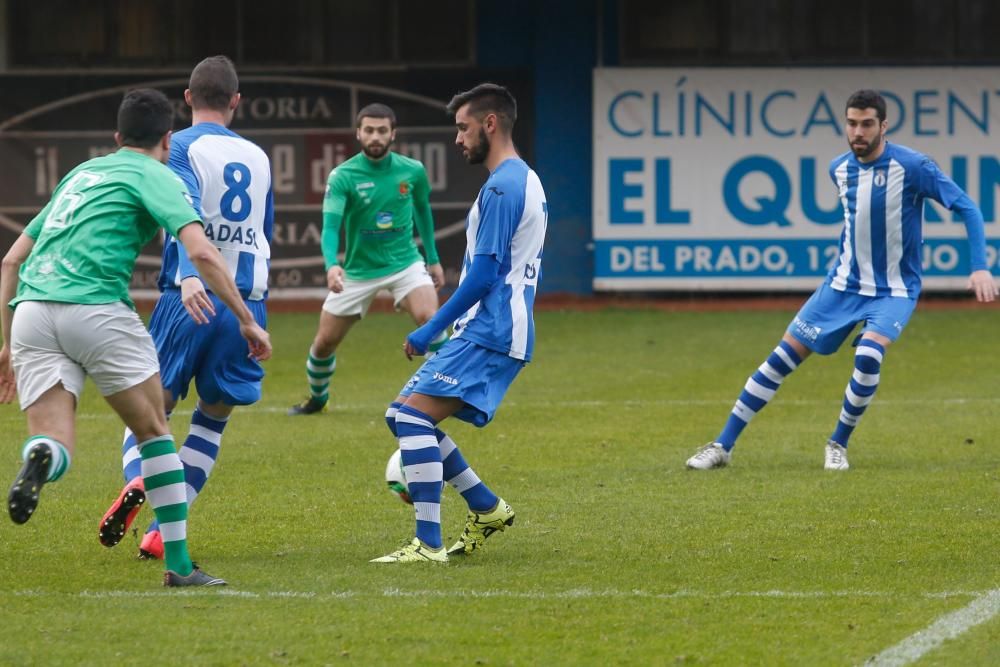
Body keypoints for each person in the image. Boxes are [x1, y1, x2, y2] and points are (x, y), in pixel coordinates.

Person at [0, 88, 272, 587]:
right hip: (96, 309)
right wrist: (246, 319)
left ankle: (41, 458)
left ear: (117, 136)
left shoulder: (80, 174)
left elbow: (11, 260)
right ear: (168, 139)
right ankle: (180, 567)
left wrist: (4, 345)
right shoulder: (157, 173)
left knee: (53, 439)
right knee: (154, 433)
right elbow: (204, 254)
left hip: (31, 313)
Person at [685, 89, 996, 472]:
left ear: (884, 125)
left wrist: (979, 266)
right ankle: (722, 446)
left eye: (867, 124)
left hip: (894, 290)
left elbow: (966, 206)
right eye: (852, 123)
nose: (858, 132)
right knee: (778, 361)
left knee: (867, 356)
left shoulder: (914, 167)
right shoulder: (839, 169)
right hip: (841, 285)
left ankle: (837, 443)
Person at [97, 56, 273, 561]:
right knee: (212, 421)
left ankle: (138, 482)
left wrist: (193, 273)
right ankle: (158, 530)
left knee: (150, 418)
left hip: (186, 298)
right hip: (246, 301)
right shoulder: (259, 158)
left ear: (188, 98)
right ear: (236, 101)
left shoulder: (178, 148)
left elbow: (184, 210)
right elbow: (265, 234)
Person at [371, 83, 547, 563]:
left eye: (463, 127)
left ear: (490, 124)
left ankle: (427, 544)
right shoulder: (523, 179)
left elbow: (486, 275)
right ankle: (486, 508)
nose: (457, 138)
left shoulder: (503, 186)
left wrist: (430, 327)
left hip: (491, 329)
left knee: (410, 417)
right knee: (402, 414)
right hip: (495, 327)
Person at [288, 103, 445, 415]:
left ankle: (447, 391)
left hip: (405, 263)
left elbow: (423, 212)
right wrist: (331, 264)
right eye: (369, 130)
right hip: (357, 272)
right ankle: (318, 399)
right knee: (324, 343)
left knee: (432, 321)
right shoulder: (342, 175)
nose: (376, 136)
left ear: (393, 134)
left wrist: (434, 257)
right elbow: (330, 227)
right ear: (358, 133)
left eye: (382, 130)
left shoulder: (412, 170)